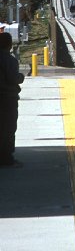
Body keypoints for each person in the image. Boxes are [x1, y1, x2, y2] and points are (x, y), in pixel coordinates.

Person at [0, 32, 24, 166]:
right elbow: (13, 78)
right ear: (9, 45)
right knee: (8, 128)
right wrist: (21, 76)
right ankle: (6, 158)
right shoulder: (10, 60)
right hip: (8, 99)